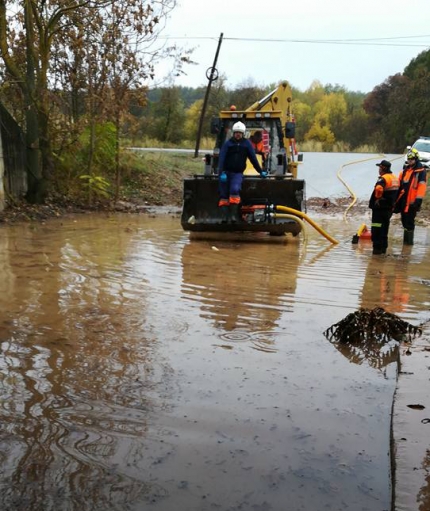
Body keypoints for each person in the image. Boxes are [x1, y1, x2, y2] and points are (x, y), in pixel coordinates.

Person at [217, 121, 266, 223]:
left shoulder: (246, 144)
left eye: (240, 132)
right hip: (226, 173)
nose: (238, 134)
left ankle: (233, 216)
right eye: (236, 132)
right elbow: (221, 158)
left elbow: (253, 158)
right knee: (223, 195)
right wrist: (221, 172)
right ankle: (224, 218)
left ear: (243, 133)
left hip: (237, 173)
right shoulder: (228, 144)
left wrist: (260, 171)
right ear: (233, 133)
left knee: (234, 190)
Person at [394, 148, 427, 245]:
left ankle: (408, 244)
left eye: (412, 159)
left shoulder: (421, 171)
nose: (410, 160)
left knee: (409, 222)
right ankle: (406, 245)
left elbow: (422, 186)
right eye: (409, 159)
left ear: (416, 159)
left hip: (412, 202)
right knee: (404, 220)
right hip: (403, 201)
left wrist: (418, 200)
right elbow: (399, 186)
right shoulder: (405, 171)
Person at [368, 159, 399, 255]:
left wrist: (378, 198)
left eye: (380, 167)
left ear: (383, 168)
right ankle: (383, 250)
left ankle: (376, 252)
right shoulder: (395, 178)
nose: (379, 169)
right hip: (389, 209)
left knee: (376, 228)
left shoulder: (383, 178)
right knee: (385, 229)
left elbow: (378, 188)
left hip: (380, 209)